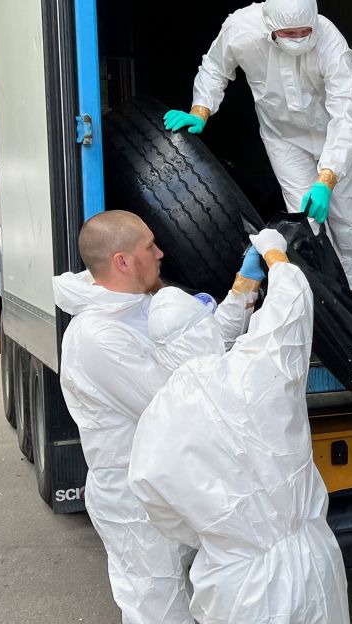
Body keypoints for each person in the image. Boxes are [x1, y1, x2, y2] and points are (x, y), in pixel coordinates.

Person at [52, 210, 265, 624]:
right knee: (157, 608)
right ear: (123, 262)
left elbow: (198, 357)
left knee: (195, 595)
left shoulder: (137, 307)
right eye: (150, 245)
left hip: (168, 482)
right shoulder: (98, 336)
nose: (161, 252)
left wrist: (243, 288)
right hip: (133, 499)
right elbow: (177, 401)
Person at [128, 229, 349, 624]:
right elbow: (292, 308)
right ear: (205, 328)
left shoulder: (154, 423)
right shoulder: (256, 370)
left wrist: (225, 536)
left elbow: (165, 514)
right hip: (306, 563)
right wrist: (275, 257)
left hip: (233, 583)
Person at [165, 0, 352, 294]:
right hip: (284, 137)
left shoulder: (330, 40)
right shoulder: (240, 29)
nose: (300, 38)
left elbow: (345, 115)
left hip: (336, 134)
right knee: (304, 219)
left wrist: (327, 178)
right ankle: (323, 299)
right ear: (269, 27)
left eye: (306, 31)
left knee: (346, 219)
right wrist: (201, 109)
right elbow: (214, 67)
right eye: (290, 33)